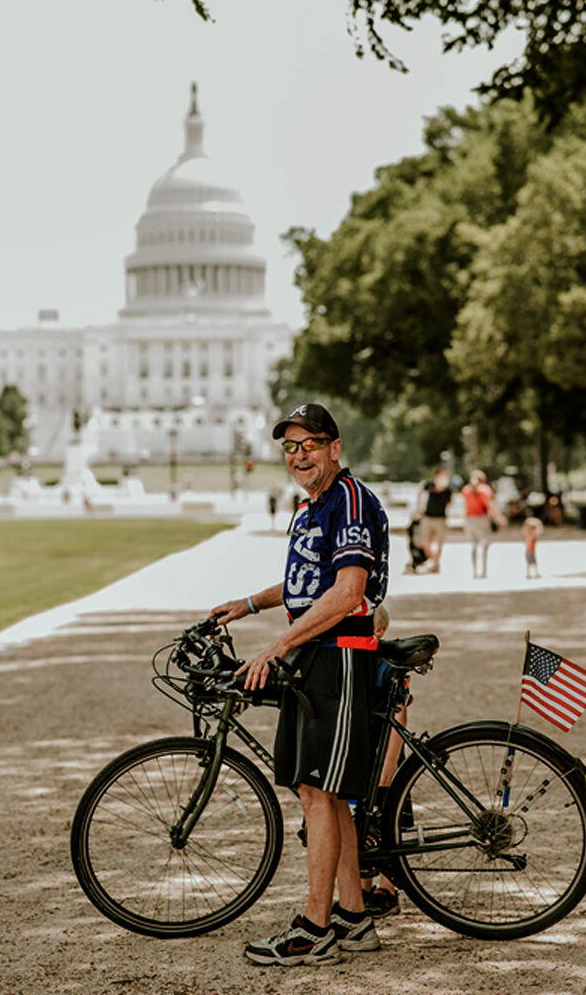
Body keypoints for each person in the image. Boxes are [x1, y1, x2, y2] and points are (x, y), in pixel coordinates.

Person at [210, 402, 389, 967]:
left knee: (318, 790)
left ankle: (316, 927)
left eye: (309, 443)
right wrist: (250, 603)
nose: (299, 455)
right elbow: (305, 583)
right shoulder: (312, 506)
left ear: (335, 447)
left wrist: (278, 644)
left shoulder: (351, 500)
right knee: (320, 791)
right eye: (290, 447)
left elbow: (346, 592)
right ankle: (353, 918)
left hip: (340, 657)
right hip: (315, 657)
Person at [360, 604, 407, 918]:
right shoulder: (353, 664)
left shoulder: (386, 665)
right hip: (361, 757)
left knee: (390, 824)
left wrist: (390, 766)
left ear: (379, 631)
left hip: (385, 756)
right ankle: (361, 888)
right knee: (360, 825)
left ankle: (387, 889)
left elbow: (399, 717)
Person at [461, 469, 506, 579]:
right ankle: (484, 570)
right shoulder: (485, 490)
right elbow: (490, 506)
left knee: (473, 546)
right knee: (485, 545)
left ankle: (474, 571)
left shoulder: (466, 490)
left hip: (470, 520)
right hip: (482, 519)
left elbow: (465, 506)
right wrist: (499, 517)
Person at [414, 469, 453, 573]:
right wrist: (418, 509)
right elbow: (421, 494)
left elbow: (449, 505)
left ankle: (435, 565)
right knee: (424, 542)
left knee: (439, 544)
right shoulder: (429, 486)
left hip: (440, 518)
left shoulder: (448, 490)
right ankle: (434, 560)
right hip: (427, 517)